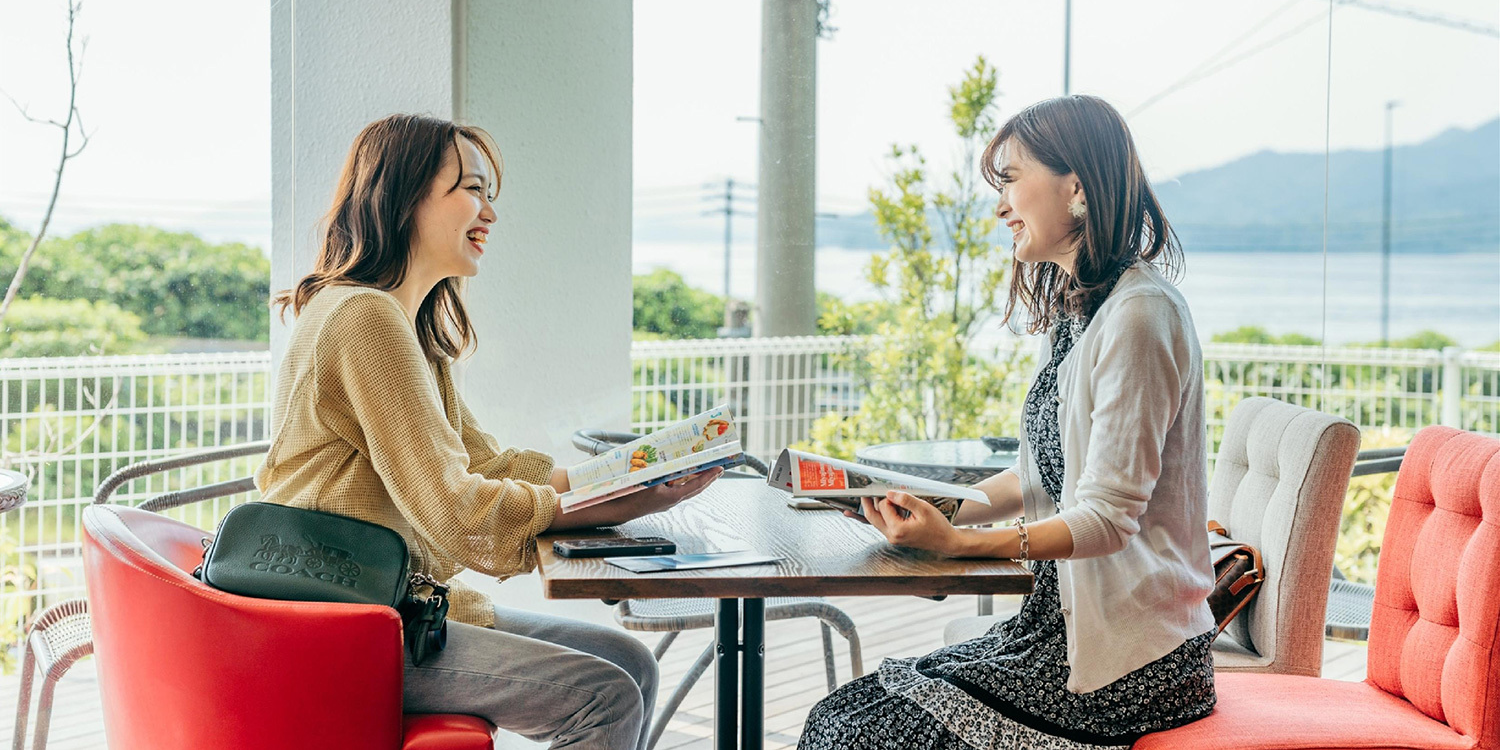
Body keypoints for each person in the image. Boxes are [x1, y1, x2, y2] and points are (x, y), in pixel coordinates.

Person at [258, 113, 719, 750]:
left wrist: (629, 473)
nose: (489, 214)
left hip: (392, 607)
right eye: (471, 189)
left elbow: (488, 464)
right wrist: (609, 504)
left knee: (630, 663)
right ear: (405, 197)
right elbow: (457, 513)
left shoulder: (406, 325)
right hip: (344, 624)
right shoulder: (363, 318)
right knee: (602, 694)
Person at [800, 95, 1217, 750]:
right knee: (843, 716)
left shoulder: (1142, 315)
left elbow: (1107, 519)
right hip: (1053, 633)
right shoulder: (1080, 312)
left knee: (852, 729)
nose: (999, 207)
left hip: (1133, 666)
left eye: (1012, 179)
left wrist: (958, 546)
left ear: (1075, 187)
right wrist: (925, 507)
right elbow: (1032, 476)